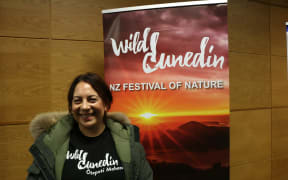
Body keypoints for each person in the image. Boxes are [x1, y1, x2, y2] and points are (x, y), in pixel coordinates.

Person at [27, 72, 153, 180]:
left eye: (92, 99)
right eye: (77, 101)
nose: (85, 107)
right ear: (71, 107)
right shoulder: (53, 143)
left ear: (106, 104)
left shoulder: (128, 142)